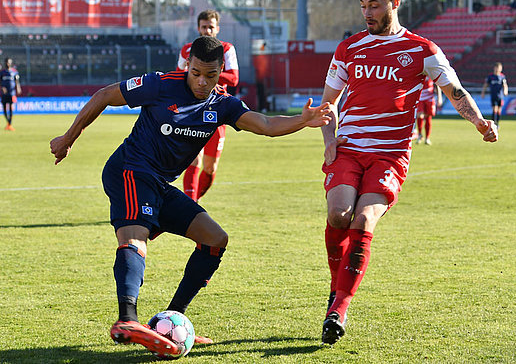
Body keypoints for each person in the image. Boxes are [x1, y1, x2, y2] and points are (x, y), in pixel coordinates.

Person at [50, 36, 331, 356]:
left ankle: (170, 322)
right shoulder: (159, 84)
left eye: (210, 75)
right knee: (134, 239)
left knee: (215, 239)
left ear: (220, 71)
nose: (201, 81)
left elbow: (265, 124)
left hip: (159, 185)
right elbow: (103, 95)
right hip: (129, 170)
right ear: (188, 66)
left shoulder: (222, 104)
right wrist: (68, 139)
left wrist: (302, 120)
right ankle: (127, 319)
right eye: (195, 72)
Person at [318, 0, 498, 345]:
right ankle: (338, 290)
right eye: (363, 5)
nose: (367, 12)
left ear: (395, 2)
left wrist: (479, 121)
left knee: (365, 218)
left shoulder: (422, 49)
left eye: (375, 5)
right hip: (349, 148)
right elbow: (328, 104)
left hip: (391, 154)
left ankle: (339, 308)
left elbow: (455, 89)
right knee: (338, 215)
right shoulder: (349, 48)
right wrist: (328, 140)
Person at [178, 10, 240, 202]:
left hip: (217, 111)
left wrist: (203, 72)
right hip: (192, 111)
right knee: (193, 159)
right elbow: (179, 77)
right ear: (198, 28)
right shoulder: (187, 50)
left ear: (217, 29)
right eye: (204, 27)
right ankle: (190, 206)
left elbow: (234, 78)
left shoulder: (226, 49)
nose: (207, 30)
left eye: (211, 27)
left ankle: (193, 200)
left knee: (210, 168)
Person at [415, 76, 442, 145]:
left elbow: (437, 84)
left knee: (428, 118)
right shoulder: (419, 71)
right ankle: (420, 134)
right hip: (420, 97)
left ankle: (427, 138)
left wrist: (439, 97)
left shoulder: (430, 71)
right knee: (419, 115)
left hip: (429, 98)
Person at [481, 62, 508, 127]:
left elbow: (505, 85)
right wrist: (483, 92)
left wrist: (505, 91)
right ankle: (493, 124)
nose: (498, 69)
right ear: (494, 68)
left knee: (499, 111)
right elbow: (485, 85)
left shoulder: (502, 77)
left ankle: (497, 123)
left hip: (500, 96)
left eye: (499, 68)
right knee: (494, 110)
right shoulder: (490, 77)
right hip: (493, 96)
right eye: (497, 68)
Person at [1, 58, 22, 131]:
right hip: (4, 93)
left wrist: (18, 87)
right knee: (4, 108)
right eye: (7, 62)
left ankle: (9, 124)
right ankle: (8, 123)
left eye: (9, 62)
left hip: (11, 92)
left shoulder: (14, 72)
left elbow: (17, 81)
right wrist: (2, 87)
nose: (8, 64)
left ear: (11, 63)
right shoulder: (2, 72)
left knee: (11, 107)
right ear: (5, 63)